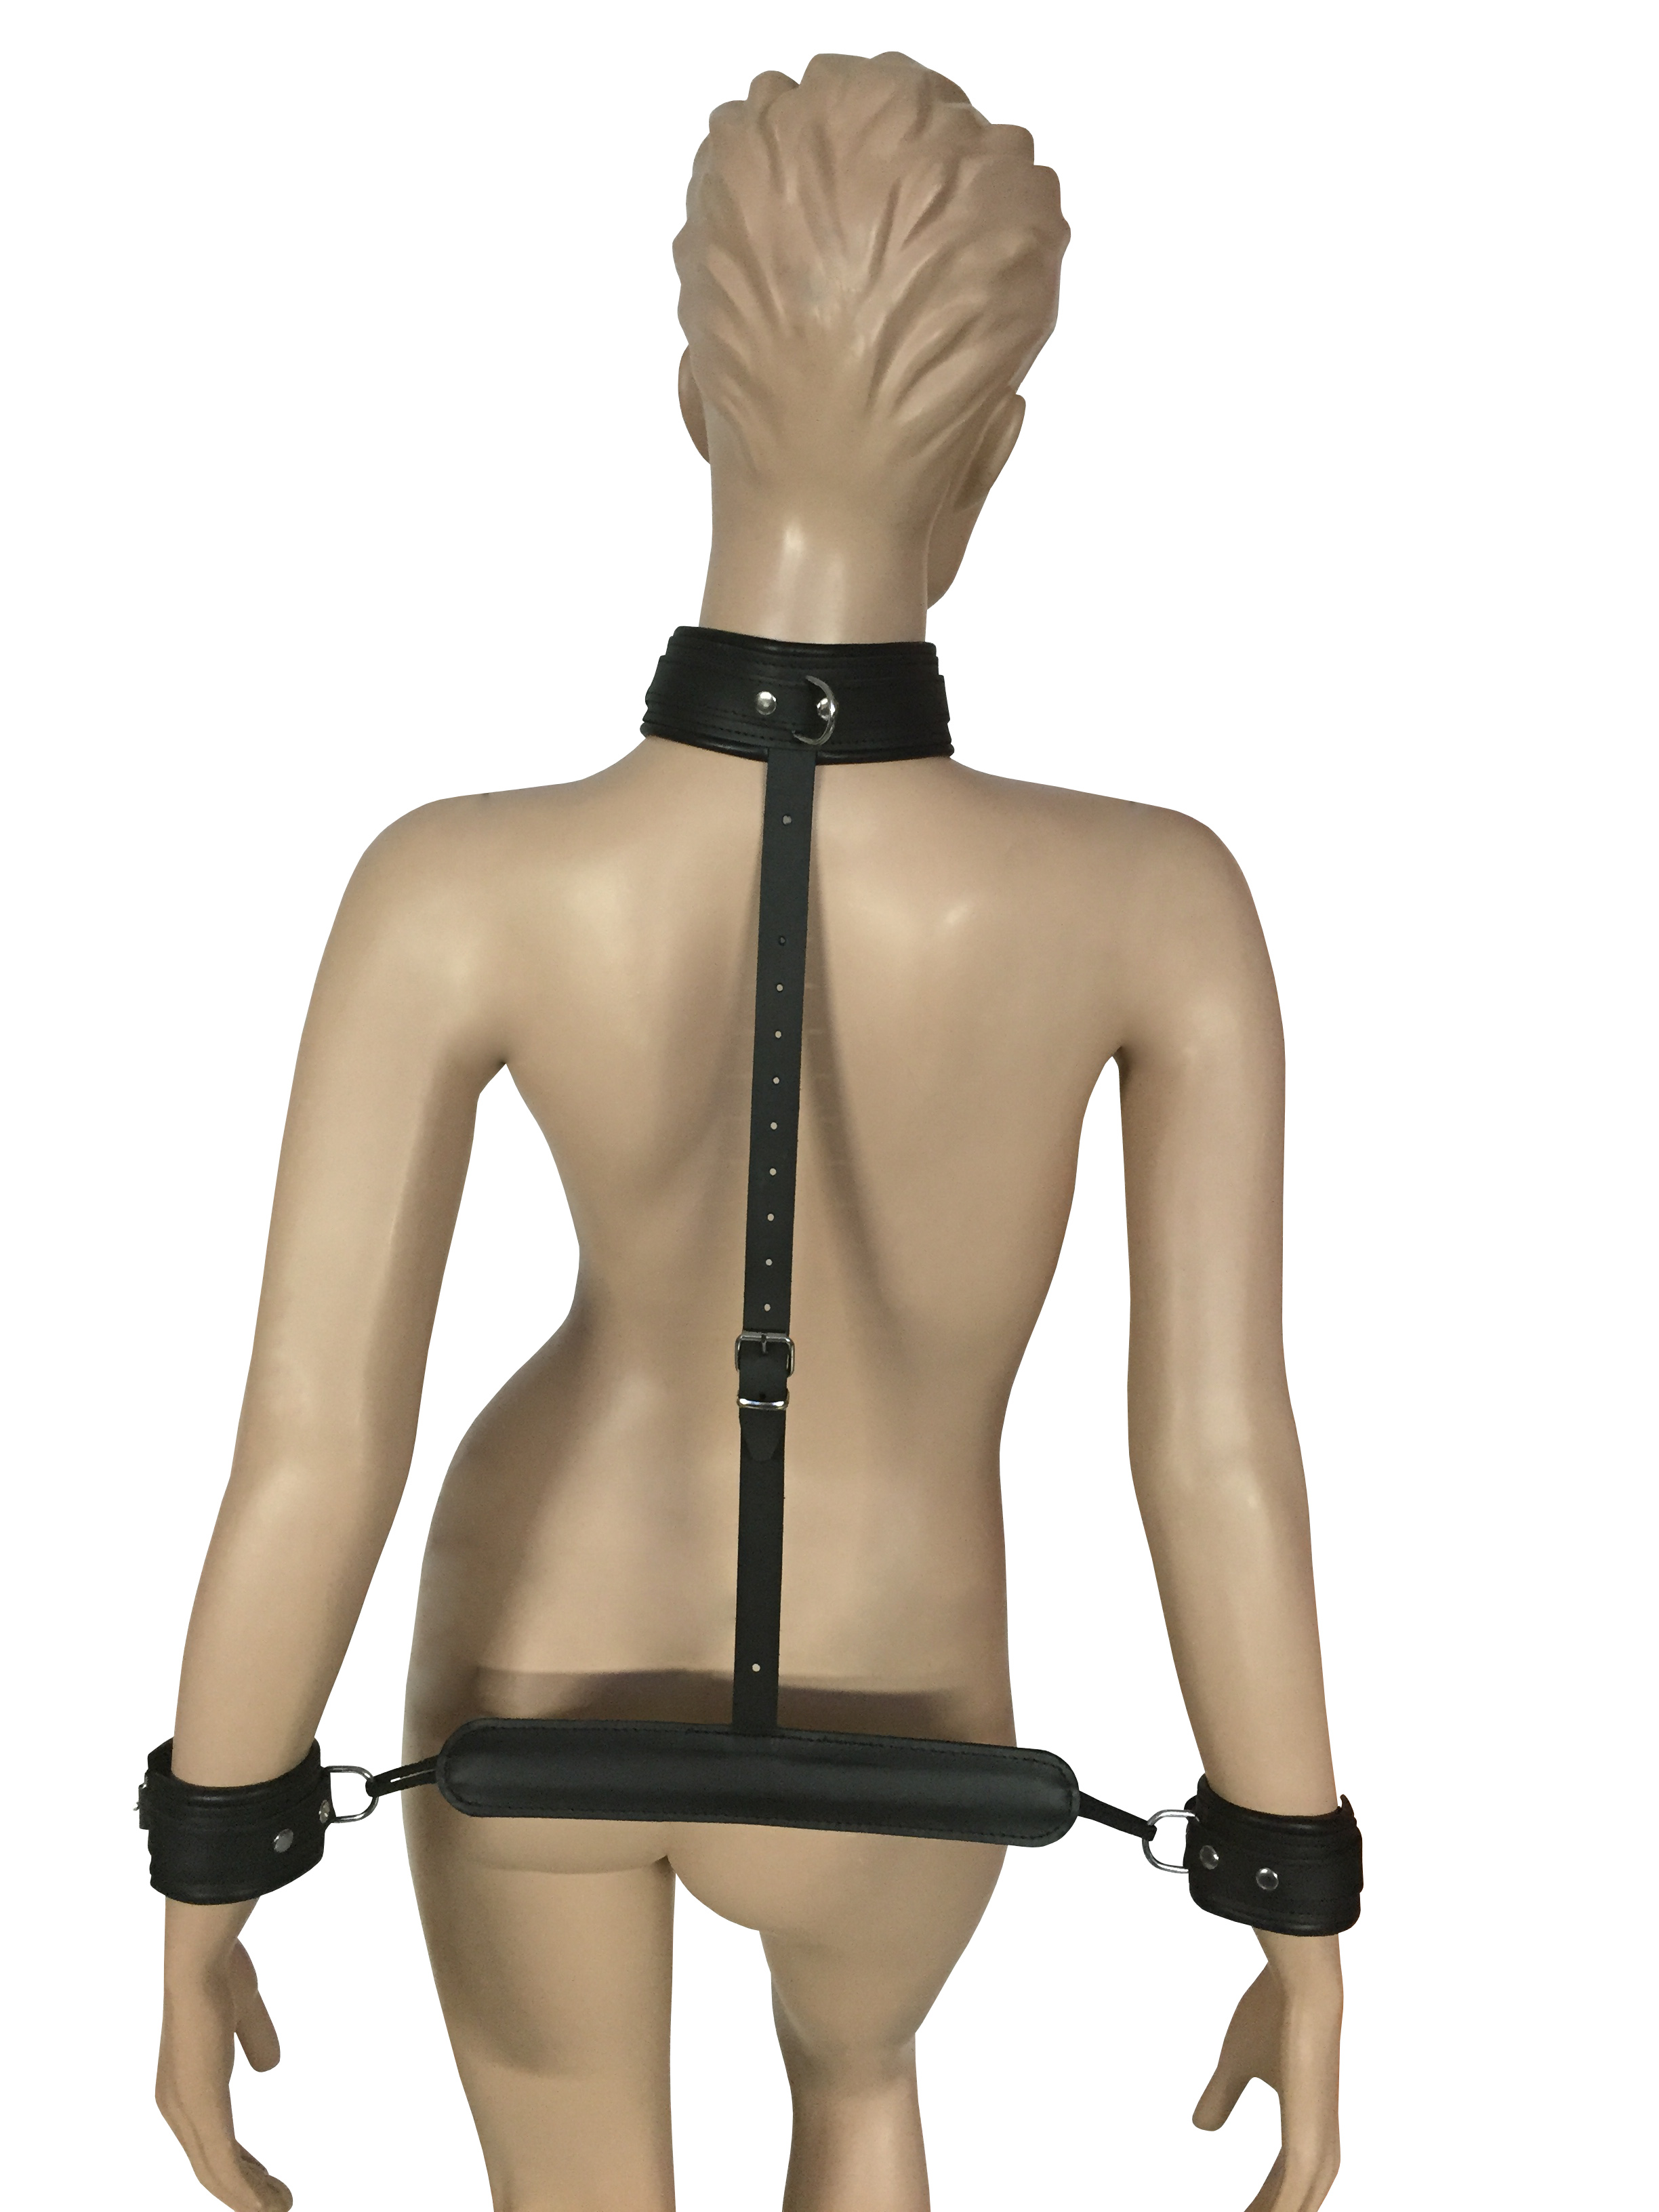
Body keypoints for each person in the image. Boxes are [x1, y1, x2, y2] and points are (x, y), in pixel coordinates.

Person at [156, 52, 1347, 2212]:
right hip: (919, 1704)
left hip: (534, 1664)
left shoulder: (456, 884)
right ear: (996, 453)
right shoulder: (1159, 903)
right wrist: (1295, 1887)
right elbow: (1212, 1447)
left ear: (691, 402)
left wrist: (208, 1858)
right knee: (863, 2097)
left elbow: (316, 1444)